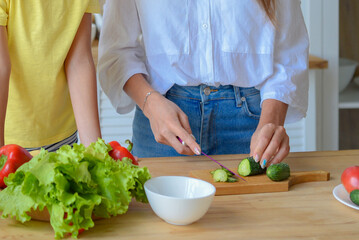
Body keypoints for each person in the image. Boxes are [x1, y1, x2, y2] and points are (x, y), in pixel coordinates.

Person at [98, 0, 309, 168]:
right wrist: (150, 105)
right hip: (163, 124)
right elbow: (117, 52)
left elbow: (289, 52)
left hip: (252, 125)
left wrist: (270, 122)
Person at [0, 0, 102, 152]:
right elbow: (2, 66)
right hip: (10, 139)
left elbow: (78, 60)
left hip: (63, 136)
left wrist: (96, 151)